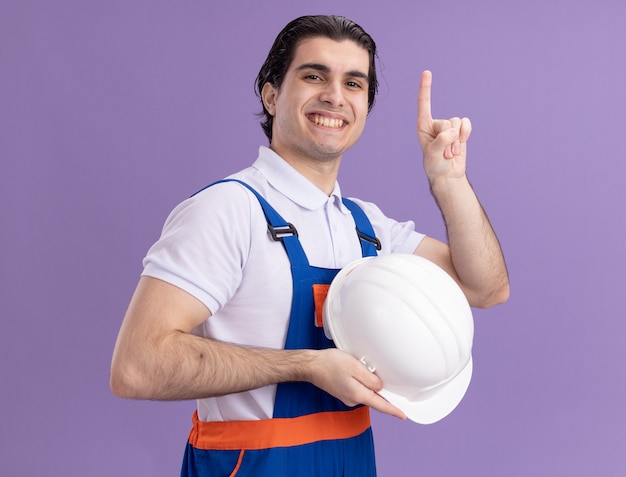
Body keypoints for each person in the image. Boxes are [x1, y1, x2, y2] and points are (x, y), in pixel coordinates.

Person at [110, 14, 510, 476]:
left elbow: (485, 289)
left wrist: (449, 181)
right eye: (314, 75)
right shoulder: (228, 210)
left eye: (354, 83)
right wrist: (307, 365)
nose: (335, 96)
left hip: (351, 461)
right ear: (272, 94)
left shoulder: (365, 226)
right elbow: (138, 365)